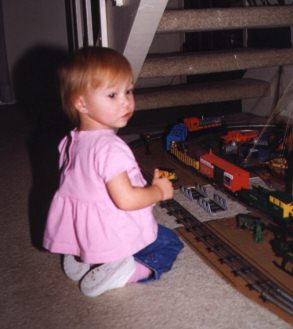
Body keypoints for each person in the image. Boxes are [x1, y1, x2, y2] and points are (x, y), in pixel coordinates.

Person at [43, 46, 183, 297]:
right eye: (112, 94)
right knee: (168, 243)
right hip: (113, 232)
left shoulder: (72, 140)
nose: (126, 101)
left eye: (128, 90)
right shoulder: (110, 148)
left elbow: (77, 188)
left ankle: (82, 254)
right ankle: (128, 270)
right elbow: (127, 200)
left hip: (85, 229)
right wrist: (158, 191)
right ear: (81, 103)